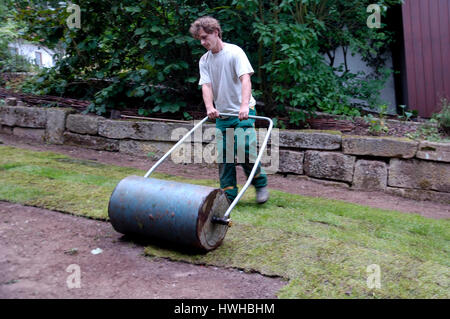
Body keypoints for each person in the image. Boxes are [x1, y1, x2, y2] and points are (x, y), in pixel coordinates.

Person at [189, 16, 269, 204]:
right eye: (199, 39)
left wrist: (243, 105)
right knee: (224, 156)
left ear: (216, 32)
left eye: (204, 37)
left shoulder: (235, 52)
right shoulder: (204, 60)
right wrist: (210, 107)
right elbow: (206, 86)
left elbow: (245, 79)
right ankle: (228, 196)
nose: (202, 42)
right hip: (223, 116)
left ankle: (260, 183)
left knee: (244, 150)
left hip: (243, 112)